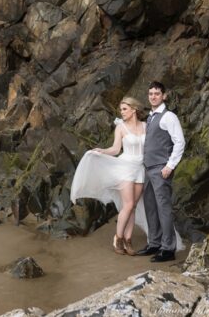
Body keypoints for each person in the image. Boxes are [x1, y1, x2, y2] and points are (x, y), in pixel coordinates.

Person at [70, 97, 148, 255]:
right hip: (125, 168)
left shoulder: (146, 126)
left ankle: (128, 240)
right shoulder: (121, 127)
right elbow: (115, 149)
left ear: (134, 109)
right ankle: (118, 238)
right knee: (128, 204)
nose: (122, 112)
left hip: (140, 169)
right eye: (121, 110)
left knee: (132, 207)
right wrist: (101, 151)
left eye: (124, 109)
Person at [136, 81, 186, 263]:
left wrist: (170, 166)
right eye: (150, 94)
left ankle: (168, 248)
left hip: (160, 169)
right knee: (150, 207)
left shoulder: (169, 117)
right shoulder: (150, 117)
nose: (153, 96)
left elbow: (180, 142)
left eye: (157, 93)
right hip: (148, 169)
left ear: (164, 96)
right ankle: (154, 243)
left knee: (163, 209)